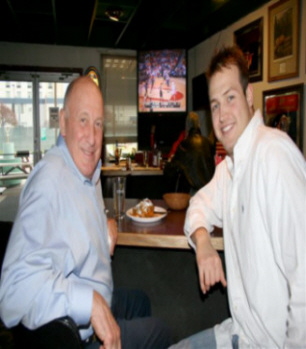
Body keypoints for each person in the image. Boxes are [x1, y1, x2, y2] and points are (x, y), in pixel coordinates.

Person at [0, 76, 172, 349]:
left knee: (140, 301)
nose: (92, 138)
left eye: (98, 124)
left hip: (97, 296)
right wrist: (89, 303)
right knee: (162, 332)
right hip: (74, 336)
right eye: (83, 120)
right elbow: (14, 292)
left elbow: (75, 213)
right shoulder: (50, 181)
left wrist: (104, 218)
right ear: (64, 122)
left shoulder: (85, 169)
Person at [169, 46, 306, 348]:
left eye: (230, 98)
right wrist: (203, 243)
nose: (221, 114)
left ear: (248, 96)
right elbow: (198, 205)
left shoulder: (272, 155)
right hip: (237, 333)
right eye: (215, 105)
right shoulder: (230, 168)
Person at [164, 111, 215, 195]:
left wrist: (168, 163)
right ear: (199, 125)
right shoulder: (208, 143)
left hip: (193, 193)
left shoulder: (184, 144)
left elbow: (172, 168)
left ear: (187, 126)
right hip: (210, 192)